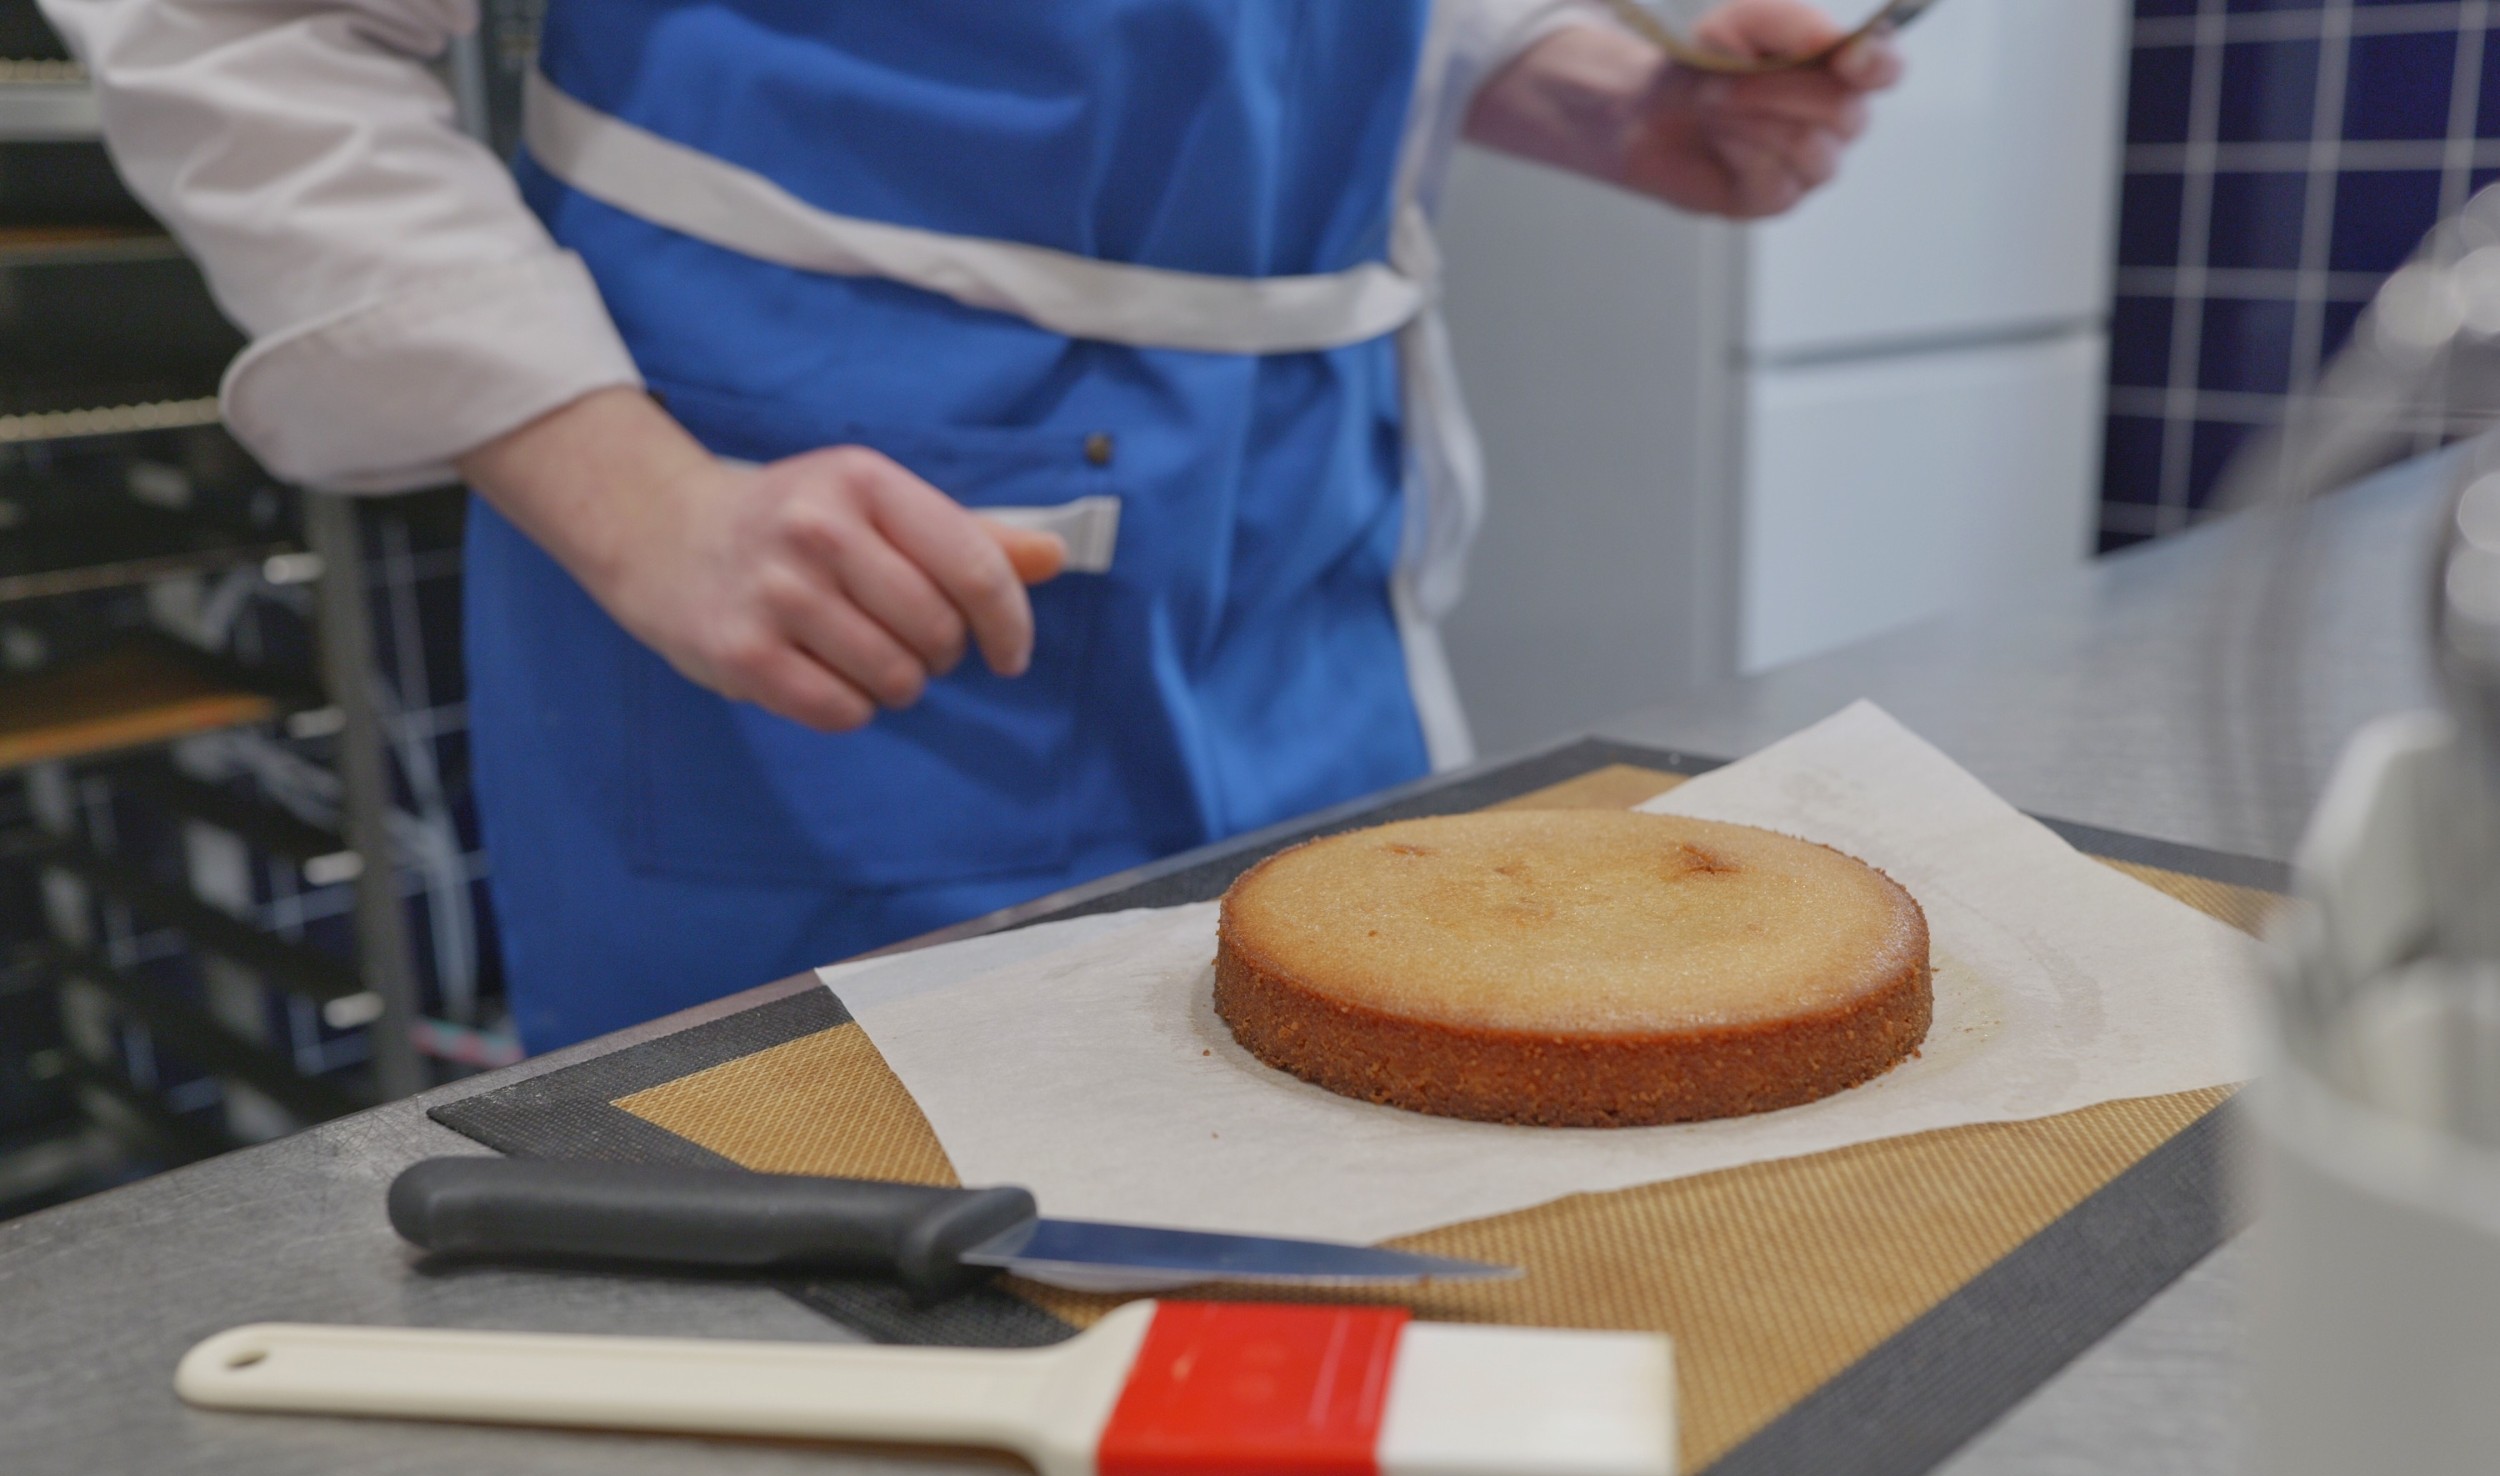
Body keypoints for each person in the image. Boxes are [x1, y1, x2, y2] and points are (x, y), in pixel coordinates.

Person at [46, 0, 1897, 1051]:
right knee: (822, 1303)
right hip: (801, 556)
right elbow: (242, 33)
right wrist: (637, 501)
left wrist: (1547, 73)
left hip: (1295, 535)